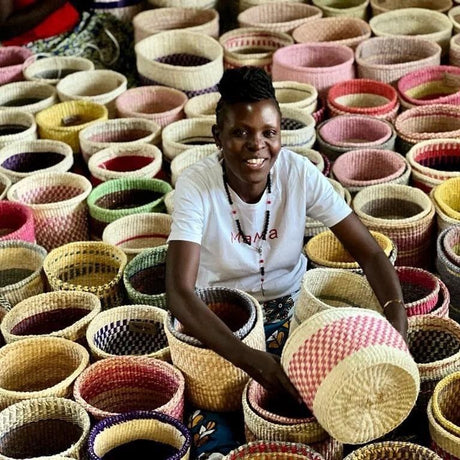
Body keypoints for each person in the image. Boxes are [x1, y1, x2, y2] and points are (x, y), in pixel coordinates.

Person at [166, 66, 408, 458]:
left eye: (268, 133)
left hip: (292, 308)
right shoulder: (198, 184)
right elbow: (179, 293)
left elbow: (368, 251)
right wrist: (251, 359)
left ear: (280, 135)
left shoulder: (299, 173)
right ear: (218, 137)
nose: (256, 145)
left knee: (342, 395)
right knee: (217, 411)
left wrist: (396, 320)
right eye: (240, 132)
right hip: (226, 320)